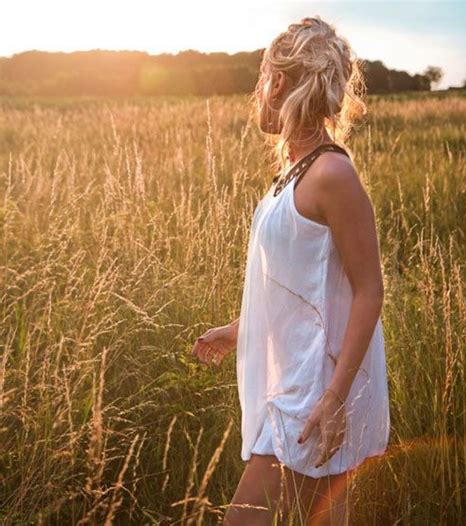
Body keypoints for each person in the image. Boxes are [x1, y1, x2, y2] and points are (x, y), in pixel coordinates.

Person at [191, 15, 390, 526]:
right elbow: (300, 288)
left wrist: (335, 398)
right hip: (295, 384)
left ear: (278, 82)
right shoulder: (292, 175)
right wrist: (240, 330)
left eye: (261, 79)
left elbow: (370, 290)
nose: (257, 92)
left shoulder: (332, 173)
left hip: (311, 394)